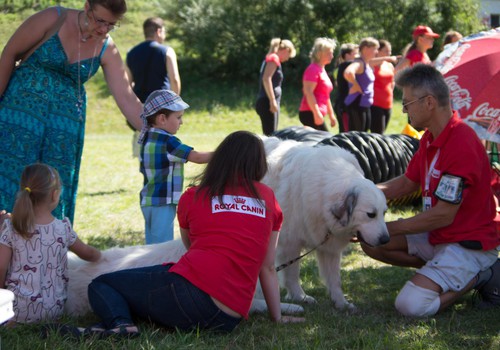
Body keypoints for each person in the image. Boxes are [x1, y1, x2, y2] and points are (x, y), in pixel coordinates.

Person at [85, 131, 304, 337]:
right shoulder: (268, 198)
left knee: (101, 284)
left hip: (189, 294)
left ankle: (121, 325)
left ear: (219, 160)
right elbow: (267, 266)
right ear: (258, 164)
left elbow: (191, 246)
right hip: (230, 318)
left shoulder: (192, 196)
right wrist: (277, 317)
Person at [360, 64, 500, 317]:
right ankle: (442, 270)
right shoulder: (430, 137)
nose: (404, 111)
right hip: (439, 236)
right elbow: (407, 182)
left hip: (467, 243)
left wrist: (387, 228)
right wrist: (362, 192)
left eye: (407, 103)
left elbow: (443, 215)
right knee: (370, 243)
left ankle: (481, 273)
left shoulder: (462, 143)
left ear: (429, 103)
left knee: (410, 306)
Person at [0, 1, 143, 224]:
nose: (104, 29)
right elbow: (9, 53)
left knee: (54, 187)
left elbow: (126, 97)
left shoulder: (107, 47)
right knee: (10, 178)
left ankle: (47, 253)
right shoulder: (52, 18)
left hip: (63, 132)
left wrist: (156, 130)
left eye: (111, 25)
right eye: (100, 21)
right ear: (87, 7)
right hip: (19, 118)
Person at [0, 164, 101, 324]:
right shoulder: (63, 228)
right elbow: (87, 254)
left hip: (15, 311)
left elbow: (1, 267)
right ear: (54, 195)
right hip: (53, 311)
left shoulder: (11, 228)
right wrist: (101, 255)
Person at [139, 90, 212, 244]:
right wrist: (226, 152)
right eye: (178, 117)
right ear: (162, 119)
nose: (181, 122)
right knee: (162, 245)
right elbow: (197, 157)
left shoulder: (147, 137)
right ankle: (157, 268)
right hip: (163, 201)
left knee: (152, 243)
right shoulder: (169, 142)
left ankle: (149, 266)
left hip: (148, 200)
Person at [126, 17, 182, 157]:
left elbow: (128, 83)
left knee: (144, 150)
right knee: (163, 147)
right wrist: (175, 103)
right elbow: (174, 79)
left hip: (141, 107)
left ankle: (146, 175)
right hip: (161, 107)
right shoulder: (167, 51)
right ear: (159, 31)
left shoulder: (131, 53)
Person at [255, 38, 296, 136]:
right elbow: (266, 78)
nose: (287, 58)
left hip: (266, 101)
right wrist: (272, 100)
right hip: (267, 102)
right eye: (288, 54)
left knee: (271, 134)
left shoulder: (271, 58)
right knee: (271, 136)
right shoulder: (274, 58)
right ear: (285, 50)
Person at [299, 37, 337, 131]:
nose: (332, 56)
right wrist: (316, 113)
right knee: (324, 141)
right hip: (309, 113)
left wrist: (331, 115)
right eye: (329, 53)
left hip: (317, 113)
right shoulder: (313, 69)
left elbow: (326, 96)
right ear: (319, 54)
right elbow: (308, 92)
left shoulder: (322, 70)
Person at [343, 37, 379, 132]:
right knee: (357, 135)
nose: (376, 52)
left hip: (364, 104)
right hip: (357, 103)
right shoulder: (359, 63)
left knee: (364, 132)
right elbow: (348, 72)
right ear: (366, 49)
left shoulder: (366, 63)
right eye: (375, 49)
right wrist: (355, 85)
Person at [370, 40, 396, 134]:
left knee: (383, 132)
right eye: (386, 51)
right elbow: (368, 62)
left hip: (388, 103)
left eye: (390, 51)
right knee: (377, 134)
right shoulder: (371, 64)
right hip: (375, 104)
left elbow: (392, 82)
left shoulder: (389, 65)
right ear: (378, 51)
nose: (389, 53)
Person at [333, 43, 358, 133]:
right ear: (347, 55)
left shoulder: (344, 66)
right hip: (344, 105)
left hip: (344, 104)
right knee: (346, 133)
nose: (358, 57)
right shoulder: (345, 66)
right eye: (355, 54)